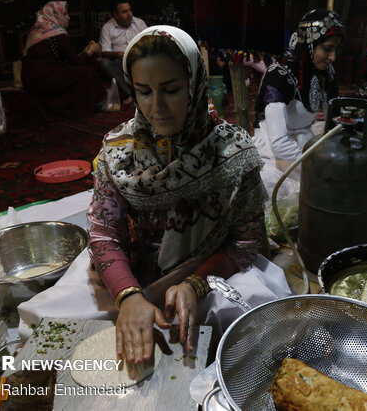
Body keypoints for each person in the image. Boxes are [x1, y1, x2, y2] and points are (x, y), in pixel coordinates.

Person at [87, 25, 271, 363]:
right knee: (69, 322)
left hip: (209, 270)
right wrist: (128, 296)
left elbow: (248, 241)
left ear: (195, 84)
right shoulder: (119, 152)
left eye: (170, 89)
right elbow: (103, 233)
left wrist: (196, 284)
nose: (156, 107)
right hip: (130, 270)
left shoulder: (231, 151)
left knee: (244, 319)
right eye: (143, 91)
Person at [252, 9, 344, 187]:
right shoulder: (280, 75)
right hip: (273, 147)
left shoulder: (325, 73)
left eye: (336, 49)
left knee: (335, 181)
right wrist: (316, 165)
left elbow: (335, 119)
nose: (333, 57)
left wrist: (335, 154)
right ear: (310, 44)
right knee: (279, 189)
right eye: (327, 48)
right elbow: (278, 142)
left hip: (304, 141)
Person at [22, 1, 106, 120]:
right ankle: (84, 109)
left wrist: (85, 52)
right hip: (43, 77)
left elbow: (65, 57)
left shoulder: (38, 31)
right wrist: (90, 51)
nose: (68, 17)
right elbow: (75, 61)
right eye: (64, 14)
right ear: (54, 15)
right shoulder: (57, 34)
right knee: (87, 72)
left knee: (73, 71)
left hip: (30, 77)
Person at [99, 0, 148, 105]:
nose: (129, 14)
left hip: (140, 59)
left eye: (130, 10)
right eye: (124, 12)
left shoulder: (140, 24)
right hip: (120, 61)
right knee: (104, 62)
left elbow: (149, 43)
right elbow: (105, 52)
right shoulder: (107, 28)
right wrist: (116, 54)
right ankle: (129, 93)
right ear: (116, 15)